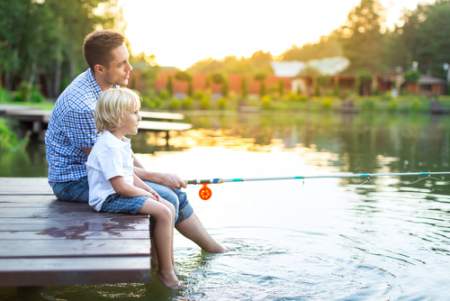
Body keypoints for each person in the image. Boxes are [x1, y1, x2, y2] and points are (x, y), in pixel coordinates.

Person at [45, 29, 225, 253]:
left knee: (173, 193)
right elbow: (106, 162)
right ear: (100, 68)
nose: (129, 68)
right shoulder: (82, 106)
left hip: (104, 169)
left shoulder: (109, 85)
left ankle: (212, 249)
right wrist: (156, 178)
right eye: (122, 64)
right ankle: (160, 266)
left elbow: (119, 151)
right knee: (166, 196)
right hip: (74, 181)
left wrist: (151, 176)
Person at [86, 87, 179, 288]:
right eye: (135, 112)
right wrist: (147, 194)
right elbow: (120, 186)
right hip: (109, 198)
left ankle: (165, 262)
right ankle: (166, 272)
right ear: (119, 118)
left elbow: (130, 174)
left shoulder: (119, 142)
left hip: (121, 191)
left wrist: (149, 189)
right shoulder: (108, 147)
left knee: (169, 207)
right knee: (163, 212)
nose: (140, 116)